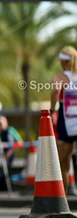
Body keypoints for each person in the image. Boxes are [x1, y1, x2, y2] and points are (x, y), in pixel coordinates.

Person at [50, 46, 77, 193]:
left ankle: (63, 199)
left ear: (62, 61)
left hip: (66, 122)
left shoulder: (60, 77)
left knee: (63, 165)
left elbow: (55, 90)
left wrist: (52, 109)